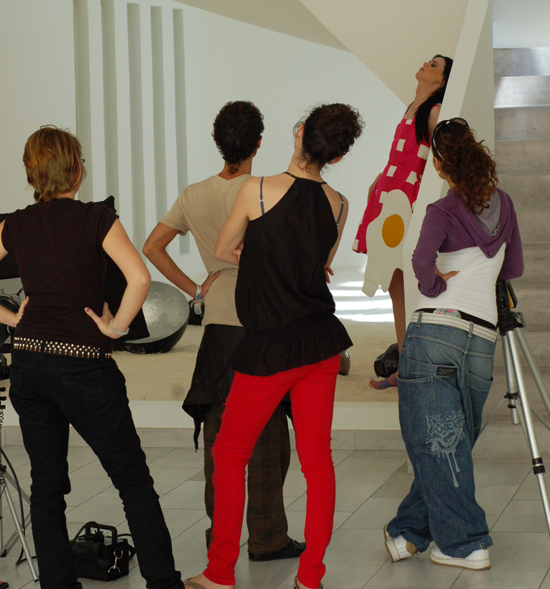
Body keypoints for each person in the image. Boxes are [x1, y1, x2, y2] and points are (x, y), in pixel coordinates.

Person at [184, 103, 363, 589]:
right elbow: (319, 264)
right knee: (317, 462)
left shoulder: (257, 189)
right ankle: (310, 578)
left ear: (299, 133)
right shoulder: (340, 203)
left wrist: (258, 253)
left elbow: (223, 250)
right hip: (320, 344)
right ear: (337, 156)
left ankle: (220, 572)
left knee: (229, 455)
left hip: (270, 346)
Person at [0, 126, 184, 589]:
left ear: (31, 173)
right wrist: (116, 328)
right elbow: (139, 278)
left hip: (29, 366)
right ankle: (164, 583)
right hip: (82, 365)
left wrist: (14, 319)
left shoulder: (15, 224)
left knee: (46, 488)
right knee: (132, 480)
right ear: (77, 170)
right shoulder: (95, 218)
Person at [143, 100, 304, 562]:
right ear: (258, 143)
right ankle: (268, 538)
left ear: (218, 143)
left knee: (220, 440)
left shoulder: (194, 195)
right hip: (264, 322)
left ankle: (222, 537)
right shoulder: (267, 190)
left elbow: (153, 247)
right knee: (268, 436)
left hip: (218, 325)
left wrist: (196, 288)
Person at [384, 117, 524, 571]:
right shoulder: (504, 205)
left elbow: (420, 262)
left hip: (435, 334)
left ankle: (465, 544)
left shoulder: (442, 210)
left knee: (438, 444)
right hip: (481, 342)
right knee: (449, 444)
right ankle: (407, 532)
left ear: (441, 166)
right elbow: (513, 269)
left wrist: (436, 284)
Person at [353, 54, 453, 381]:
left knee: (404, 279)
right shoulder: (413, 108)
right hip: (389, 194)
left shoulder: (434, 112)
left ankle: (412, 363)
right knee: (394, 281)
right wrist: (378, 180)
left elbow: (439, 162)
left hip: (407, 200)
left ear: (442, 81)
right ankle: (406, 360)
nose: (426, 64)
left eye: (434, 65)